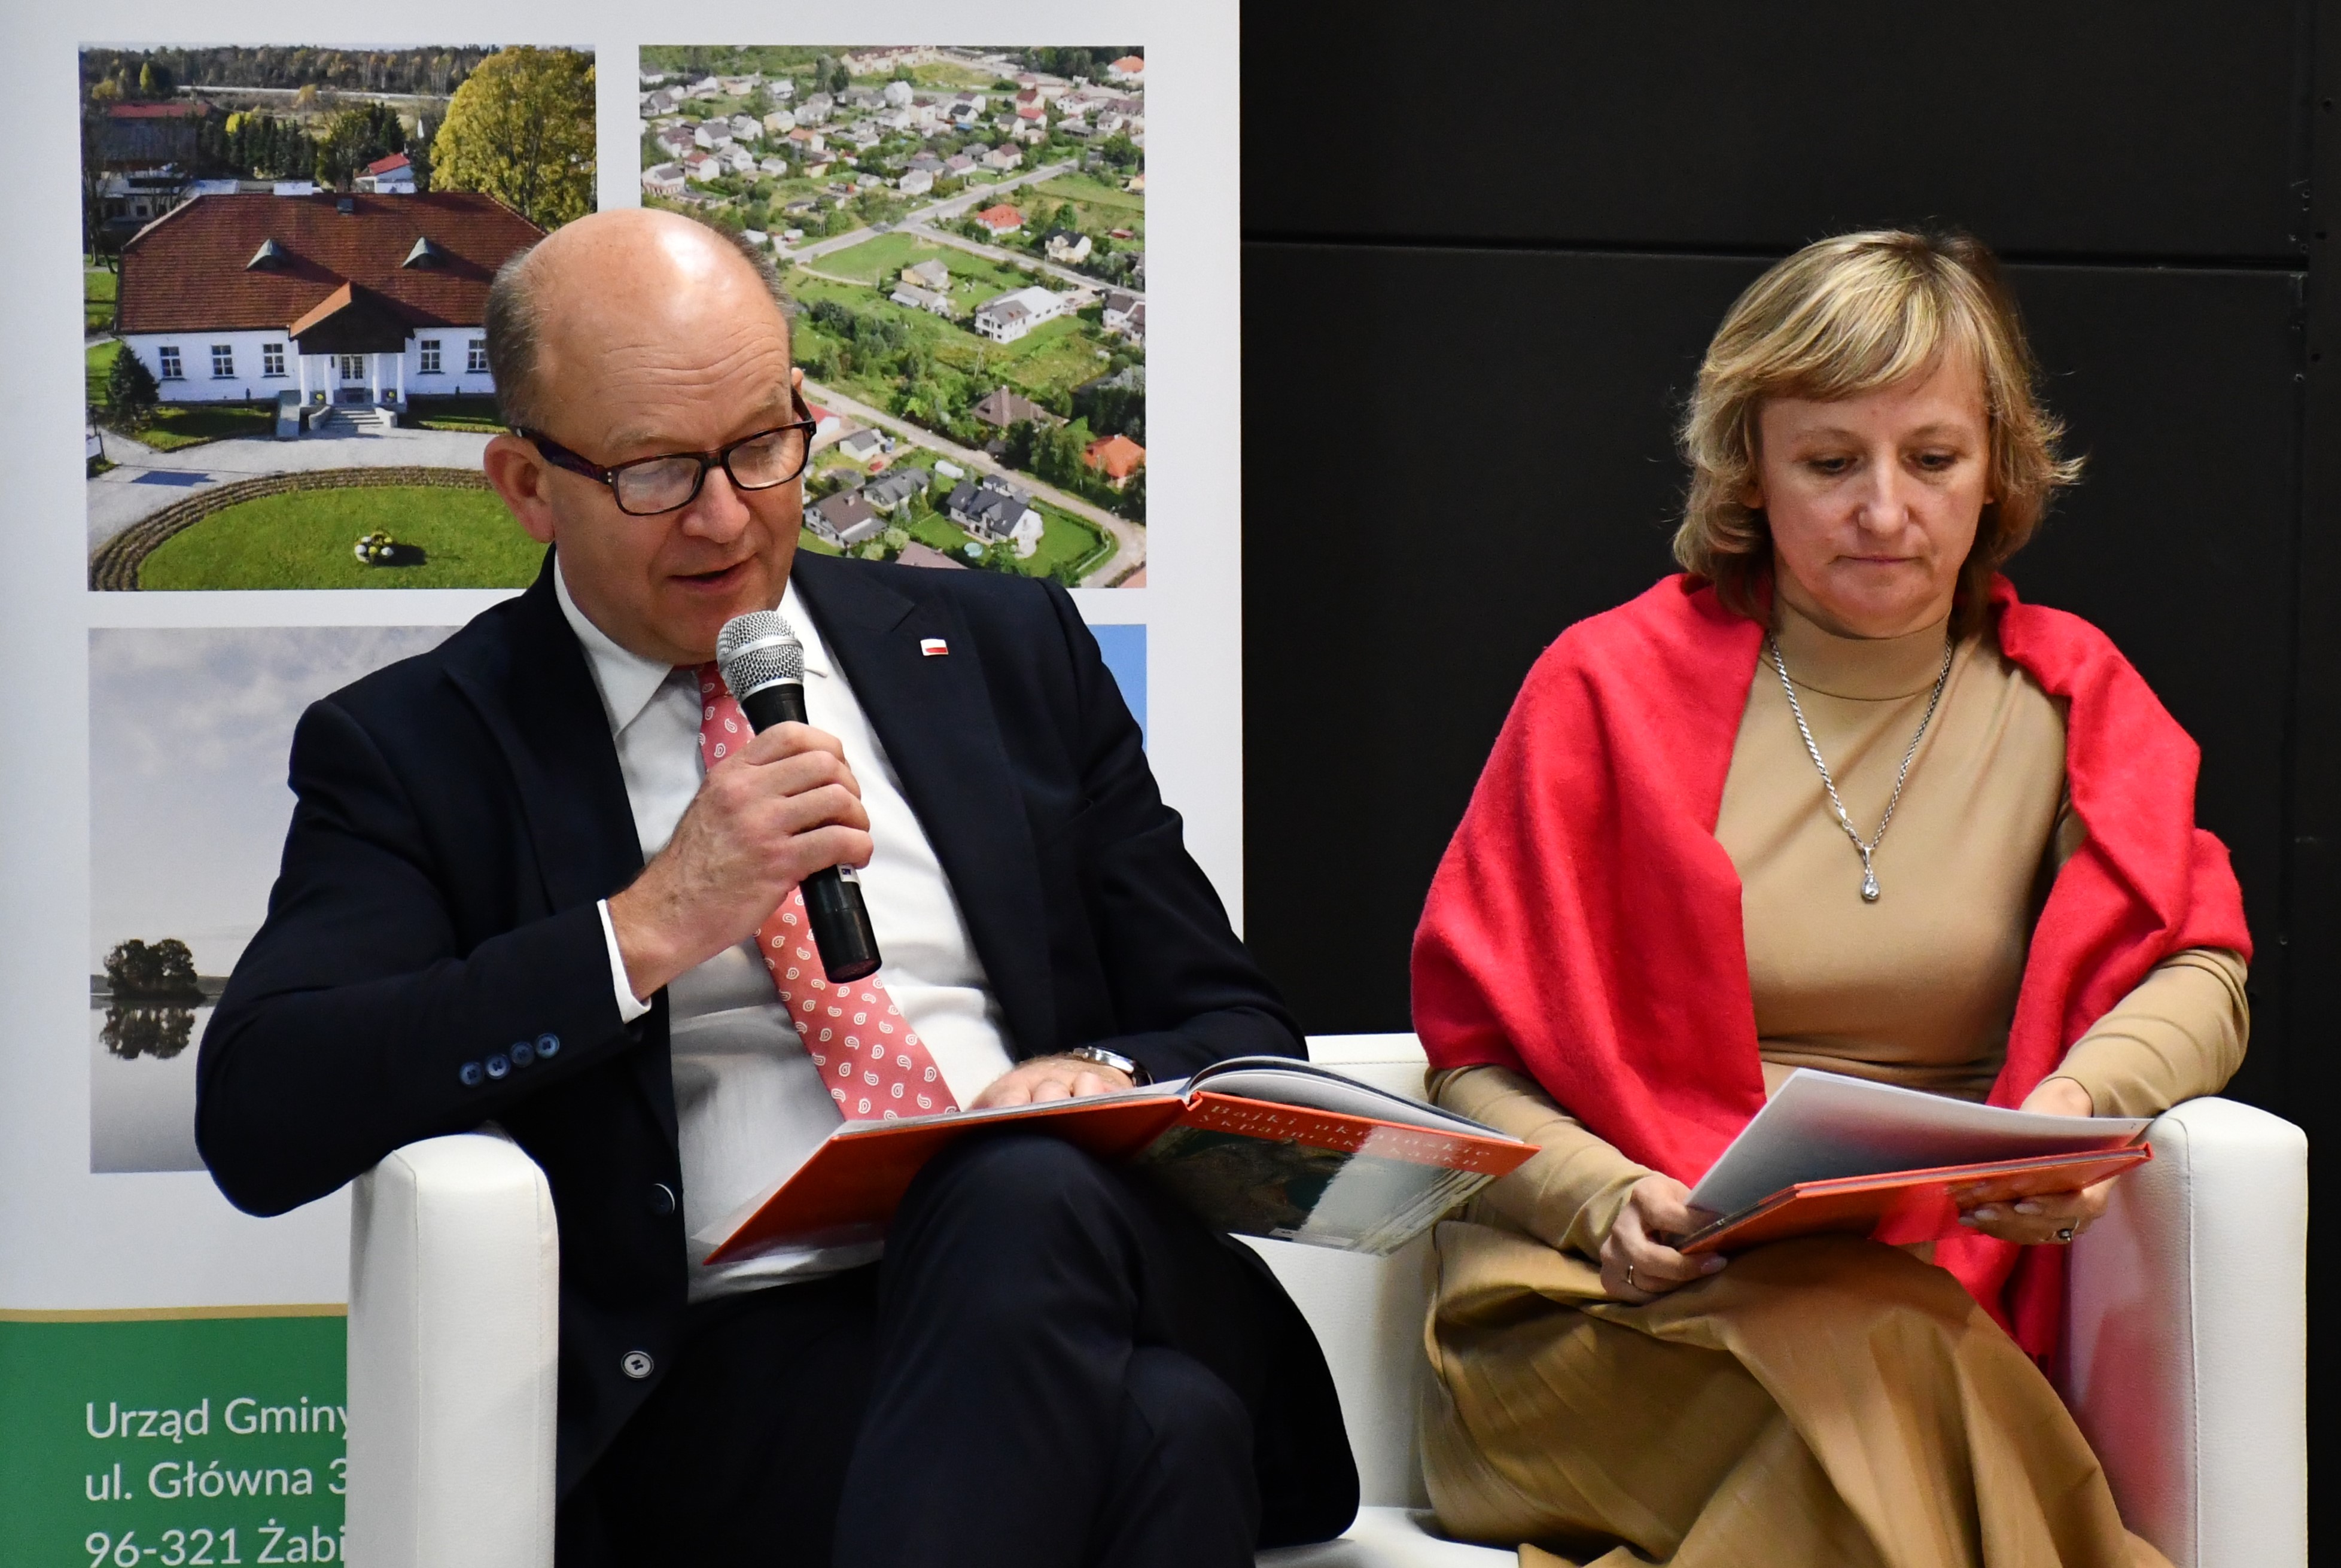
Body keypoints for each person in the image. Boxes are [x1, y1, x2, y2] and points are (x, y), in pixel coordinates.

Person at [195, 209, 1356, 1567]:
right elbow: (264, 1109)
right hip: (743, 1363)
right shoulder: (420, 747)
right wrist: (643, 930)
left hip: (1102, 1259)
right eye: (655, 472)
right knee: (1168, 1435)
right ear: (525, 485)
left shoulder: (1006, 651)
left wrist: (1092, 1075)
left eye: (761, 445)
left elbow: (1238, 1028)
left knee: (1014, 1190)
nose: (726, 516)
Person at [1409, 230, 2249, 1568]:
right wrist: (1600, 1198)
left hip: (1916, 1292)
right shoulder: (1599, 688)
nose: (1884, 510)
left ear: (1997, 467)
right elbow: (1466, 1065)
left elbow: (2198, 964)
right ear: (1750, 468)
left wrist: (2071, 1109)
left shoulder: (2067, 697)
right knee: (1889, 1364)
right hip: (1601, 1311)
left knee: (1878, 1355)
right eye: (1829, 462)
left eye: (1933, 458)